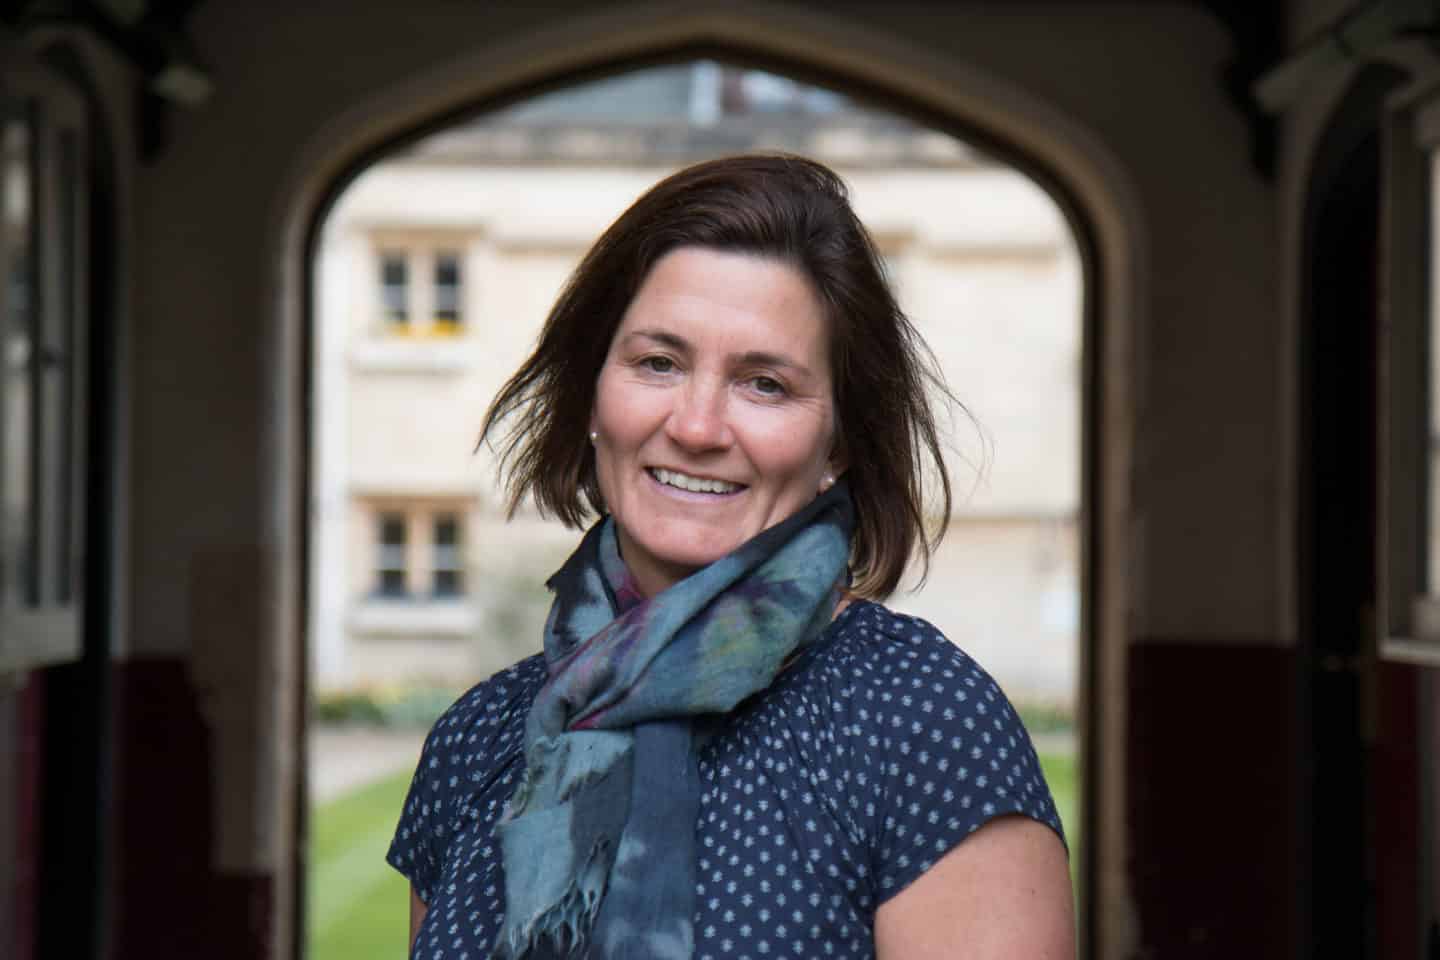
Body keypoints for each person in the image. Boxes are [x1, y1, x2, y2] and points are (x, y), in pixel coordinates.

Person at [387, 154, 1074, 960]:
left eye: (765, 385)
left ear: (839, 443)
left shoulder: (922, 725)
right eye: (658, 363)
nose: (699, 426)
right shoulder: (477, 740)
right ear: (592, 397)